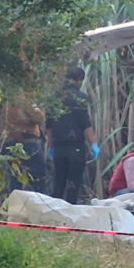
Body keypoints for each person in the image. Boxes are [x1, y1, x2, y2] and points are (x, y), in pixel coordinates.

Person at [46, 67, 99, 204]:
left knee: (58, 182)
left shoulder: (53, 97)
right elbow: (85, 124)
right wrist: (93, 143)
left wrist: (50, 146)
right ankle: (70, 210)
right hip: (75, 147)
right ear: (78, 80)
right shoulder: (80, 98)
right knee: (73, 183)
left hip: (58, 147)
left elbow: (49, 125)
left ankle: (53, 211)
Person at [0, 92, 47, 193]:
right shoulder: (23, 99)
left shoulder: (4, 102)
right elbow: (39, 118)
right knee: (37, 177)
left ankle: (15, 204)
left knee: (15, 178)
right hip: (27, 142)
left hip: (8, 143)